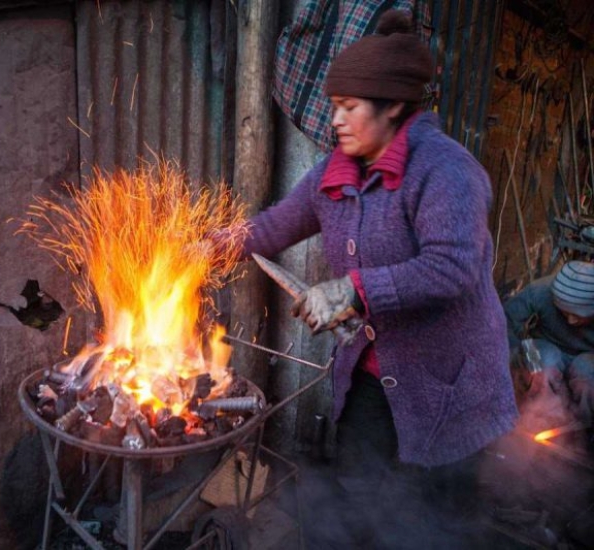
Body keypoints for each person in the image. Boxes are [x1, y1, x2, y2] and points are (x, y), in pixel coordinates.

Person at [233, 9, 519, 545]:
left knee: (432, 524)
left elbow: (450, 267)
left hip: (447, 386)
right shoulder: (332, 174)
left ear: (392, 109)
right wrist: (211, 245)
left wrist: (352, 289)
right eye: (334, 106)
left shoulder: (446, 171)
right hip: (368, 377)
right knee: (358, 502)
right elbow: (273, 227)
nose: (335, 119)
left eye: (349, 107)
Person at [504, 260, 594, 422]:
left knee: (586, 373)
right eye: (564, 313)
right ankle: (540, 418)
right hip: (546, 345)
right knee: (543, 362)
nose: (571, 321)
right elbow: (505, 323)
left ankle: (583, 428)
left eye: (579, 316)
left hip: (588, 356)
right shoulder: (541, 291)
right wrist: (526, 354)